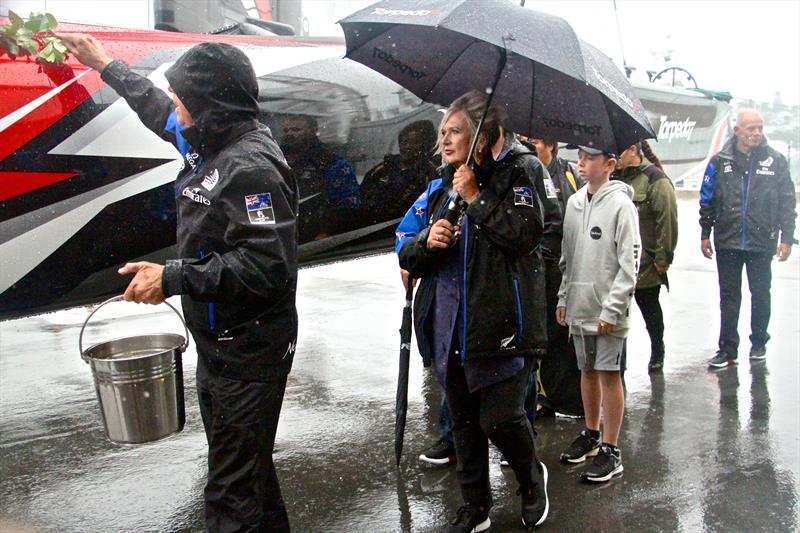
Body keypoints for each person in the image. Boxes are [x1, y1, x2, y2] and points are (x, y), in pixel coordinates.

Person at [60, 35, 299, 531]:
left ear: (211, 104)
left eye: (182, 98)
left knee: (229, 491)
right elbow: (154, 107)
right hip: (219, 342)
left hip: (250, 349)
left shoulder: (251, 167)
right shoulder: (205, 137)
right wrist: (104, 64)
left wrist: (171, 277)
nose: (173, 105)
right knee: (246, 471)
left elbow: (267, 267)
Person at [396, 91, 549, 531]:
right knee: (462, 422)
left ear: (481, 136)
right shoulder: (442, 185)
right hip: (451, 328)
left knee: (499, 418)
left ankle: (530, 477)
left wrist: (478, 197)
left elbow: (525, 236)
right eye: (442, 132)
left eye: (455, 131)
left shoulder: (522, 171)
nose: (444, 140)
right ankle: (475, 506)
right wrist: (427, 240)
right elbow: (408, 250)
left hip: (501, 324)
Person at [557, 145, 640, 483]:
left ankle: (611, 448)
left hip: (608, 311)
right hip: (579, 306)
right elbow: (568, 257)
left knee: (609, 373)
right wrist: (564, 297)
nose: (582, 163)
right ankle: (591, 433)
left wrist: (614, 307)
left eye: (590, 158)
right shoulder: (574, 204)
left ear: (609, 165)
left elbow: (629, 263)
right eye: (580, 157)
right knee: (587, 370)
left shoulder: (622, 205)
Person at [700, 109, 797, 367]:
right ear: (738, 131)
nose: (756, 133)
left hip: (761, 242)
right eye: (751, 128)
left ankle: (758, 343)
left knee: (760, 294)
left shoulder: (775, 161)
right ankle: (728, 350)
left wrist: (787, 238)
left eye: (760, 128)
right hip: (728, 241)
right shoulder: (719, 161)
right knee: (729, 296)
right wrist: (704, 234)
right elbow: (707, 199)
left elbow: (788, 202)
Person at [528, 138, 585, 418]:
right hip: (536, 267)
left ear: (550, 146)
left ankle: (567, 397)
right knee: (541, 335)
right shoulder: (524, 171)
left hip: (562, 267)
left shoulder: (569, 174)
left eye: (535, 142)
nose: (530, 146)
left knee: (562, 334)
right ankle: (543, 395)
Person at [615, 140, 678, 372]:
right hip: (617, 263)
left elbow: (667, 221)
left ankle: (657, 349)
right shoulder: (613, 178)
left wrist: (663, 259)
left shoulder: (655, 179)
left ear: (633, 150)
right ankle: (618, 362)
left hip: (645, 263)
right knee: (617, 315)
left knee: (650, 309)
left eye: (619, 150)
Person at [280, 114, 360, 242]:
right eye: (286, 130)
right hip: (283, 237)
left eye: (296, 130)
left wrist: (328, 232)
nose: (289, 134)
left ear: (314, 131)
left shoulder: (331, 163)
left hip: (318, 240)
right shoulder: (275, 161)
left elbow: (347, 206)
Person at [361, 120, 438, 225]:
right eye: (404, 142)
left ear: (424, 145)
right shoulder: (384, 167)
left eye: (414, 143)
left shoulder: (428, 173)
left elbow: (432, 206)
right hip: (370, 227)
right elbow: (363, 191)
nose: (408, 147)